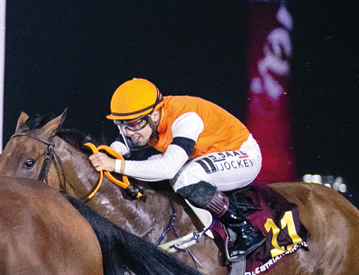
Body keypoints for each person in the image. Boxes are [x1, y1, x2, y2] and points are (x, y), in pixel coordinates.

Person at [89, 78, 265, 258]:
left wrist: (115, 165)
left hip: (243, 153)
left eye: (134, 124)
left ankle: (246, 230)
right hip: (206, 154)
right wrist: (102, 158)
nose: (128, 132)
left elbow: (168, 169)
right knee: (153, 163)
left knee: (184, 177)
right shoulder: (145, 118)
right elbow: (121, 146)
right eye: (121, 124)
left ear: (155, 116)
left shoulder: (185, 118)